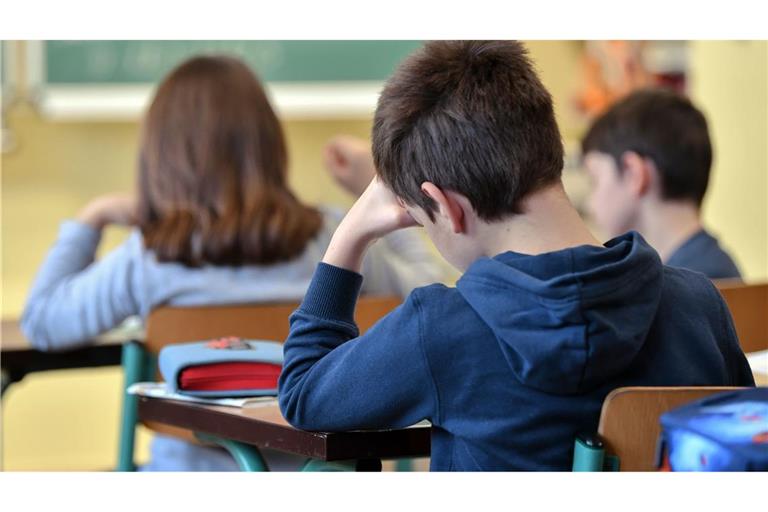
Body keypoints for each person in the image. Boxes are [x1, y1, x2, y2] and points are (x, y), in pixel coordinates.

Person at [278, 41, 755, 471]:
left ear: (446, 208)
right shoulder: (700, 306)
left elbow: (301, 392)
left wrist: (351, 234)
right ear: (548, 148)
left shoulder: (441, 328)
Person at [21, 55, 445, 471]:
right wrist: (379, 189)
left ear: (161, 155)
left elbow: (43, 321)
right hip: (318, 474)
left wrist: (90, 219)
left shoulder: (149, 255)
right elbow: (423, 295)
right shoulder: (335, 238)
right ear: (268, 144)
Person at [581, 88, 741, 280]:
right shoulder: (710, 267)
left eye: (595, 180)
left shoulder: (689, 287)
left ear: (634, 173)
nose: (590, 204)